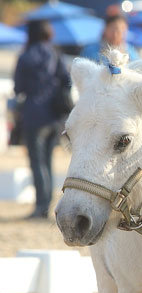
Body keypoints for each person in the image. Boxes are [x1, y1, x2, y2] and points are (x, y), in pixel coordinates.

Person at [13, 19, 71, 219]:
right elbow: (66, 79)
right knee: (48, 161)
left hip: (33, 115)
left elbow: (18, 87)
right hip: (54, 116)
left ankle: (41, 206)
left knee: (37, 163)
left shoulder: (25, 56)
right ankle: (48, 203)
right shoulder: (56, 53)